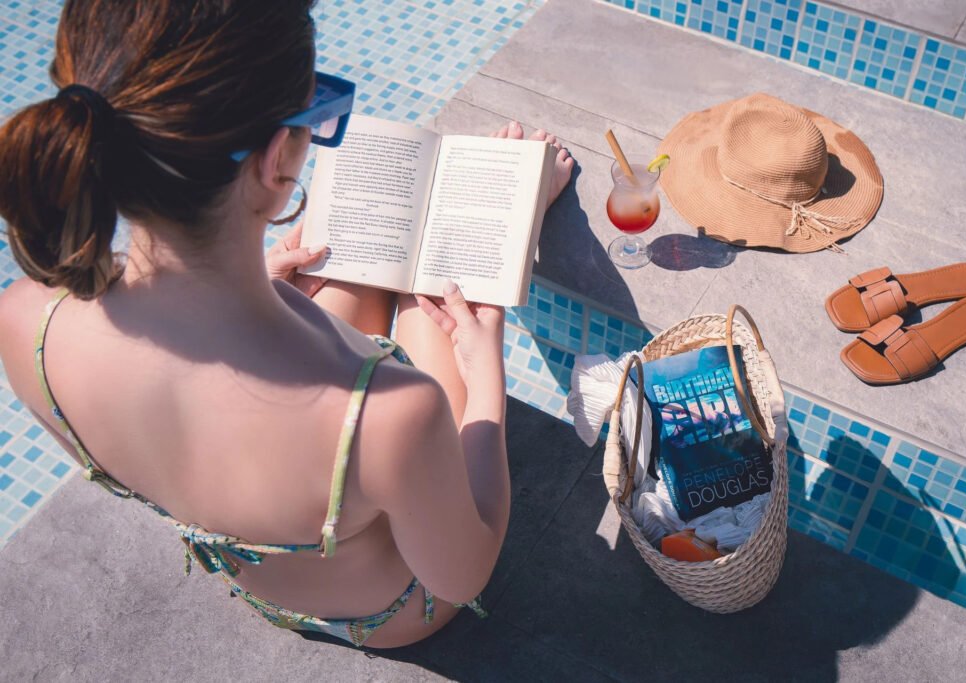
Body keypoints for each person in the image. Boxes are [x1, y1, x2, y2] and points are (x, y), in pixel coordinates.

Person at [0, 0, 573, 649]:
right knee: (435, 302)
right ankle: (504, 205)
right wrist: (486, 378)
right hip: (393, 610)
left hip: (263, 582)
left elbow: (197, 403)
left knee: (350, 257)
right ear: (277, 162)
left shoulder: (27, 323)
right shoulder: (392, 414)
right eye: (317, 113)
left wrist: (260, 281)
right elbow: (463, 573)